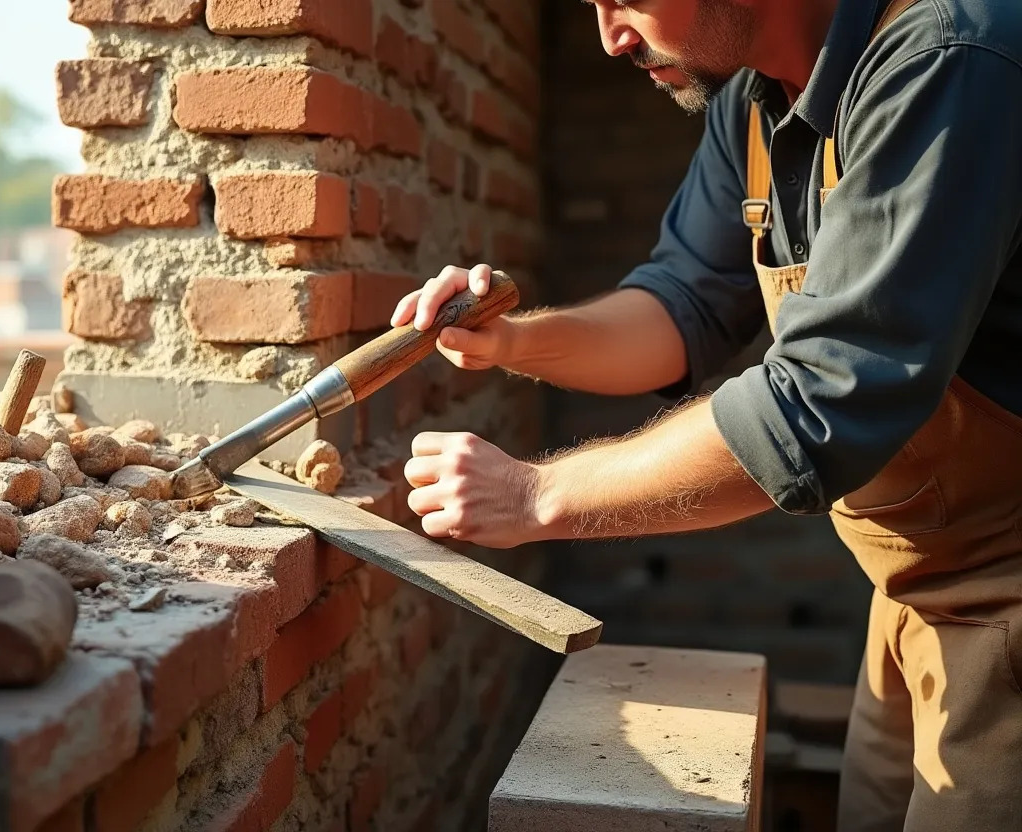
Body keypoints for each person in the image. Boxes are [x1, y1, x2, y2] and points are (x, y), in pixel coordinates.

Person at [389, 0, 1022, 829]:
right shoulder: (752, 101)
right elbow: (681, 306)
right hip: (911, 601)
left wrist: (531, 497)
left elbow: (816, 404)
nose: (610, 36)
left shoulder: (946, 58)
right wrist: (512, 341)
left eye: (626, 0)